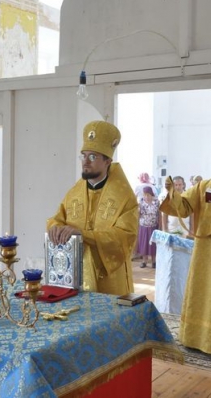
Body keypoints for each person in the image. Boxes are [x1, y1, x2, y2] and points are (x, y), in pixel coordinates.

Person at [47, 120, 138, 296]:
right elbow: (58, 218)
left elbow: (125, 237)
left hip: (109, 279)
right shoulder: (75, 192)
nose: (86, 162)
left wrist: (84, 234)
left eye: (93, 157)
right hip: (74, 274)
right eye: (84, 156)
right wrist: (54, 228)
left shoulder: (124, 198)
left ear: (107, 161)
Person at [159, 148, 211, 355]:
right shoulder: (203, 186)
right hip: (203, 248)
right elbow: (183, 207)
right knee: (199, 287)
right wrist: (172, 192)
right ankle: (193, 336)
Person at [134, 185, 160, 268]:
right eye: (145, 195)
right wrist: (137, 226)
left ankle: (154, 261)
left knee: (153, 245)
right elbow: (138, 215)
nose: (146, 197)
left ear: (151, 195)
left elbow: (159, 214)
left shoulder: (156, 203)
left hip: (153, 227)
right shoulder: (141, 203)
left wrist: (160, 226)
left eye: (148, 195)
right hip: (143, 227)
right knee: (144, 244)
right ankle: (144, 261)